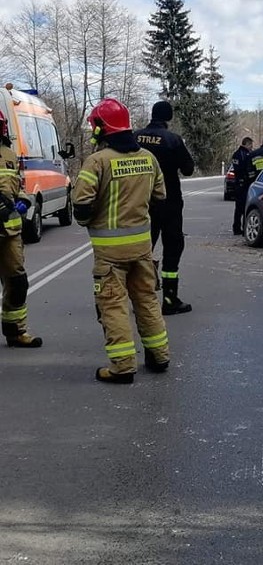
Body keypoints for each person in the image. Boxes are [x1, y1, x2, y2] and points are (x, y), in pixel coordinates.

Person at [71, 98, 169, 384]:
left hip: (110, 255)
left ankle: (123, 366)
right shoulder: (148, 158)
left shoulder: (97, 161)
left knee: (113, 307)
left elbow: (81, 206)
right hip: (142, 249)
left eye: (95, 126)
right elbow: (160, 197)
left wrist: (91, 220)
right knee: (147, 301)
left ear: (102, 128)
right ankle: (159, 356)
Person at [135, 100, 195, 315]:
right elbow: (188, 169)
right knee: (172, 247)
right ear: (168, 117)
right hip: (169, 203)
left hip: (141, 202)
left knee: (142, 250)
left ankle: (140, 297)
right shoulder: (173, 140)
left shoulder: (136, 137)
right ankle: (170, 299)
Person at [0, 109, 41, 348]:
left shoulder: (9, 154)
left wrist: (24, 200)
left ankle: (16, 332)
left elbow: (18, 185)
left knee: (17, 283)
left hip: (9, 233)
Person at [230, 136, 253, 235]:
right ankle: (243, 228)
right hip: (244, 183)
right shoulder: (246, 154)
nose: (252, 147)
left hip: (238, 183)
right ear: (247, 144)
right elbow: (245, 169)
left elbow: (236, 168)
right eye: (251, 145)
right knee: (244, 207)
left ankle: (236, 227)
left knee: (238, 207)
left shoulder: (236, 154)